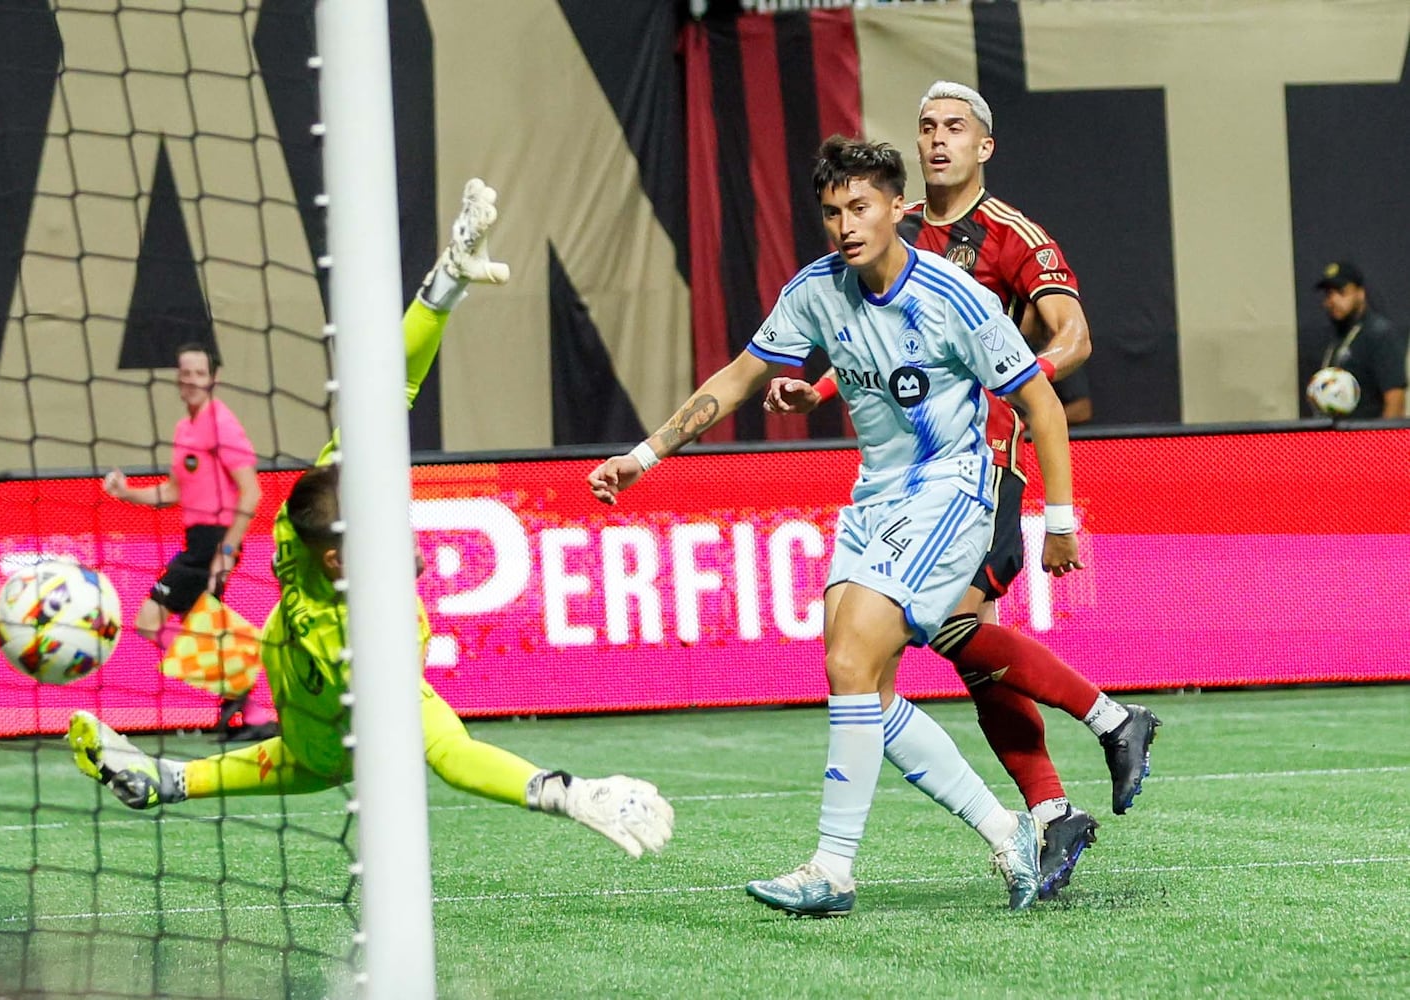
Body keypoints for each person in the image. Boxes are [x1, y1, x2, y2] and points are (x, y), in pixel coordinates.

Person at [68, 179, 675, 858]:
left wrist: (445, 282)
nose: (409, 549)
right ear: (339, 561)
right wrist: (566, 790)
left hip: (291, 665)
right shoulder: (362, 637)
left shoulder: (320, 499)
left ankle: (167, 781)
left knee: (300, 758)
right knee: (329, 760)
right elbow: (449, 753)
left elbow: (395, 379)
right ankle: (176, 771)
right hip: (327, 713)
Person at [590, 136, 1080, 917]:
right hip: (874, 497)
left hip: (950, 490)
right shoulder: (818, 290)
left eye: (860, 208)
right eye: (831, 213)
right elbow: (740, 377)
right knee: (864, 687)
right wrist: (643, 456)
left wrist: (1060, 518)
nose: (845, 226)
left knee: (852, 659)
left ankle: (832, 869)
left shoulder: (955, 298)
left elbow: (1041, 404)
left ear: (895, 208)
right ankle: (1008, 833)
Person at [775, 82, 1159, 900]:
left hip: (982, 468)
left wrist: (1007, 379)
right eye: (926, 128)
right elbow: (894, 348)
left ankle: (1103, 727)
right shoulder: (896, 225)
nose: (937, 140)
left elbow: (1075, 338)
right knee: (956, 645)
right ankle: (1057, 799)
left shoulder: (1012, 235)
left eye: (955, 128)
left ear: (984, 146)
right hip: (917, 476)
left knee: (946, 630)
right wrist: (823, 391)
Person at [102, 343, 274, 741]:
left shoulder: (222, 424)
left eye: (199, 373)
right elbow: (173, 491)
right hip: (196, 540)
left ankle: (241, 692)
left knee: (149, 621)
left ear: (213, 379)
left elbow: (251, 493)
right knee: (200, 628)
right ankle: (252, 712)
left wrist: (225, 553)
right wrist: (127, 493)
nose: (191, 380)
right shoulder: (185, 429)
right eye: (185, 373)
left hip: (214, 543)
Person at [1313, 260, 1407, 418]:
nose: (1333, 300)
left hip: (1366, 438)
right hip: (1336, 438)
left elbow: (1395, 400)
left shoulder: (1380, 334)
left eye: (1341, 292)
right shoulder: (1338, 336)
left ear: (1360, 293)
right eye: (1329, 294)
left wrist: (1384, 441)